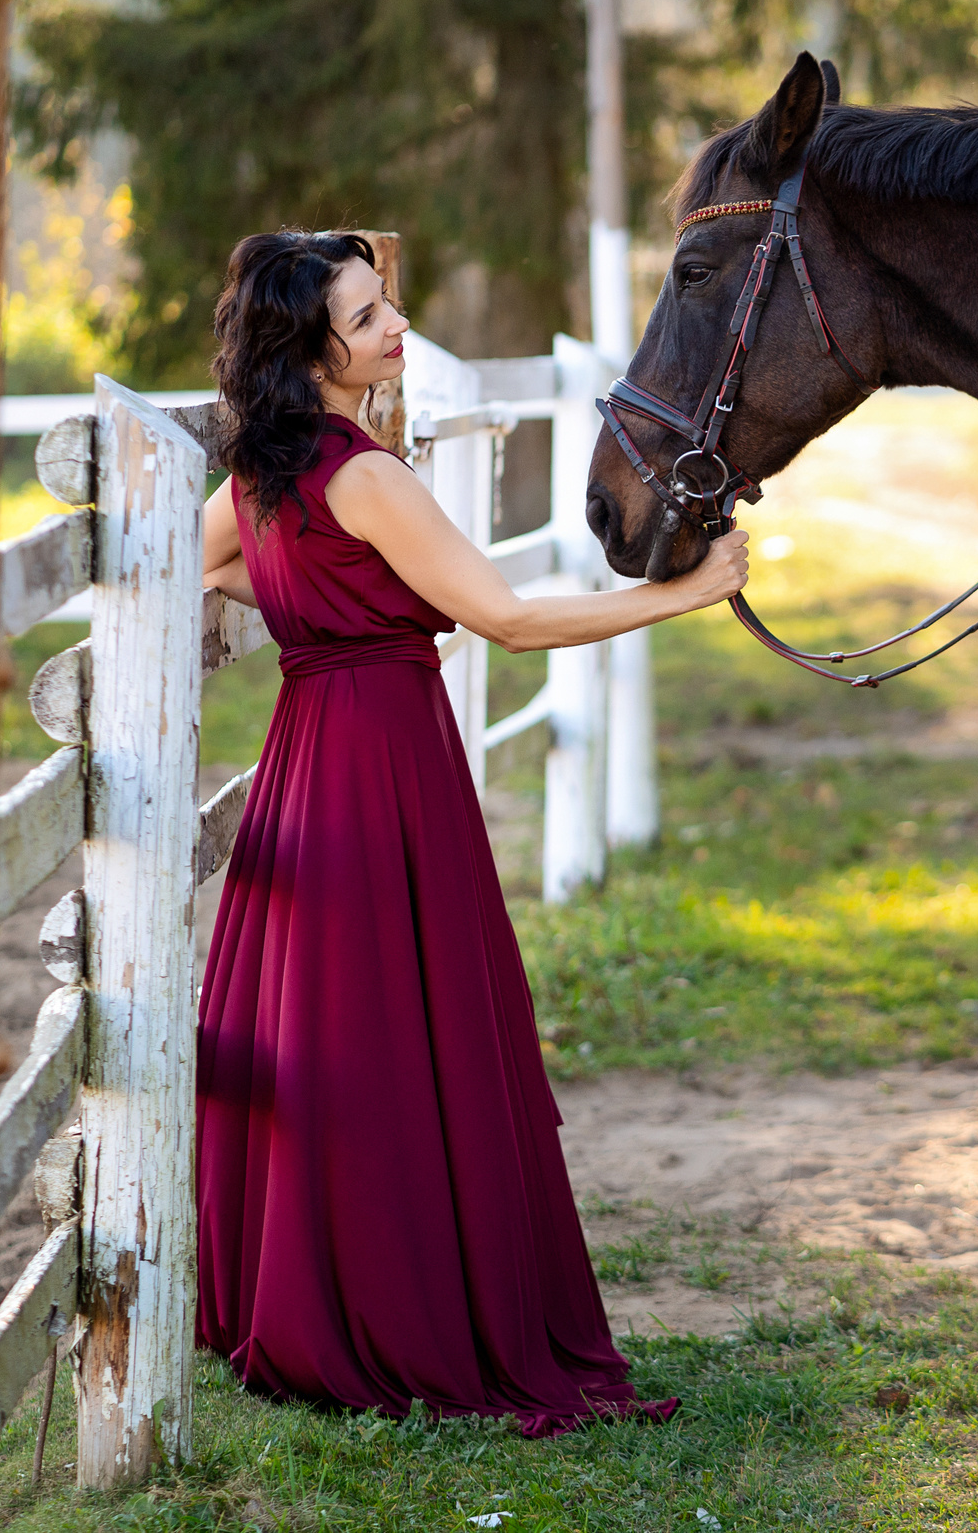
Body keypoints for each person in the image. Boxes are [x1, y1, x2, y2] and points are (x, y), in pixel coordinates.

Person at [190, 228, 745, 1435]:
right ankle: (399, 1309)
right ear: (313, 354)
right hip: (384, 756)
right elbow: (506, 621)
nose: (396, 329)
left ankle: (301, 1297)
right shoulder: (369, 475)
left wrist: (327, 603)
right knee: (401, 1025)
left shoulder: (265, 472)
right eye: (367, 319)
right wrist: (684, 593)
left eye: (386, 306)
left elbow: (211, 565)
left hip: (307, 753)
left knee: (328, 1026)